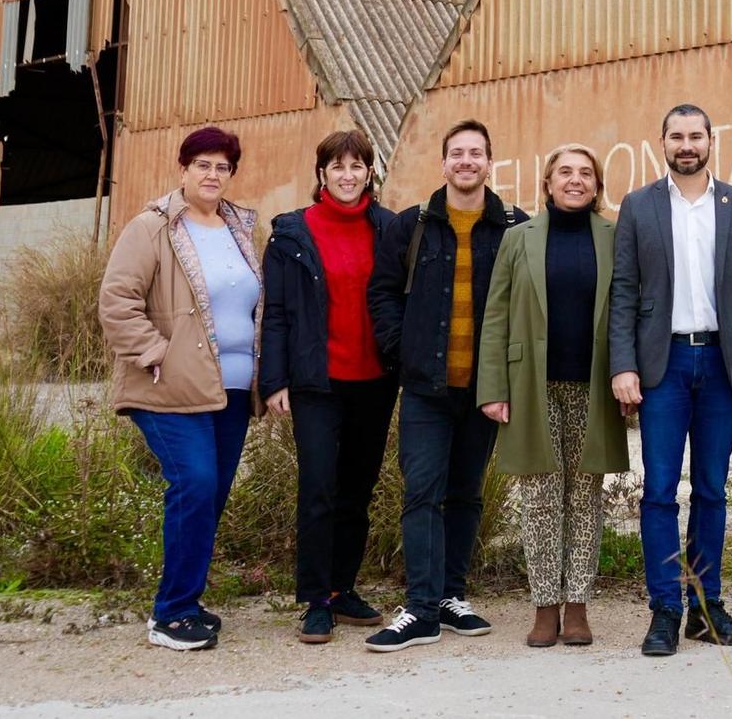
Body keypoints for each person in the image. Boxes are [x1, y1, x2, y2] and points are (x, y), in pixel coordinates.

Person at [610, 104, 732, 657]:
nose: (687, 144)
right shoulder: (637, 207)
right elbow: (624, 295)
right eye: (676, 136)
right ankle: (664, 609)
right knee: (658, 492)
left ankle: (706, 607)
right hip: (664, 366)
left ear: (711, 141)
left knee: (710, 489)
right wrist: (623, 364)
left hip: (721, 364)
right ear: (662, 142)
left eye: (695, 136)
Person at [363, 119, 528, 651]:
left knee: (466, 495)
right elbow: (383, 293)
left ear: (489, 162)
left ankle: (453, 596)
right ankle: (420, 608)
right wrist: (400, 350)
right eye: (457, 153)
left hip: (485, 390)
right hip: (427, 389)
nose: (466, 162)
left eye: (475, 153)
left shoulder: (512, 227)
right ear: (443, 163)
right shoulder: (412, 225)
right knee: (422, 493)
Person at [98, 125, 262, 652]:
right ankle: (170, 613)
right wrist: (156, 354)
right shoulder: (153, 227)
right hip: (169, 388)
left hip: (232, 391)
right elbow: (117, 301)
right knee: (193, 483)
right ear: (184, 169)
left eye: (222, 167)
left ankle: (185, 601)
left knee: (208, 497)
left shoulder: (240, 227)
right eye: (203, 165)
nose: (213, 175)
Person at [478, 144, 631, 648]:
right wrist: (494, 388)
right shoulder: (518, 238)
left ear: (596, 184)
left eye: (585, 173)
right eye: (565, 172)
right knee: (541, 496)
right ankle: (545, 606)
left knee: (585, 496)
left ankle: (578, 606)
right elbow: (496, 315)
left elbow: (629, 306)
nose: (575, 180)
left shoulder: (614, 237)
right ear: (547, 183)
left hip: (594, 384)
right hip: (531, 386)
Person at [258, 129, 398, 645]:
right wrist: (274, 380)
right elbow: (274, 313)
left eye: (356, 165)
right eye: (337, 166)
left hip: (374, 382)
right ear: (321, 174)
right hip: (316, 382)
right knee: (319, 489)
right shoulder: (292, 234)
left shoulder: (388, 229)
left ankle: (342, 589)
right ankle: (315, 600)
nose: (347, 175)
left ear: (368, 173)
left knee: (357, 492)